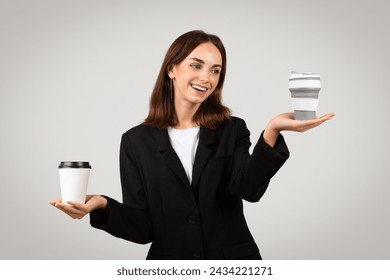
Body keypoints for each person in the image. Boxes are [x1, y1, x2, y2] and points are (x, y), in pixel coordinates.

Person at [50, 30, 334, 259]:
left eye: (215, 70)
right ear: (172, 69)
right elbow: (143, 229)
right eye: (196, 66)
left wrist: (272, 130)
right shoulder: (136, 141)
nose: (205, 78)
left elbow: (248, 190)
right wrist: (100, 204)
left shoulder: (232, 129)